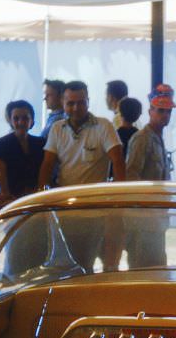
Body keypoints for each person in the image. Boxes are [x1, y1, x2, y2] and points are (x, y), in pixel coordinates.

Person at [38, 81, 126, 272]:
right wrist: (41, 198)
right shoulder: (57, 128)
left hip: (94, 210)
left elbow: (118, 161)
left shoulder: (103, 126)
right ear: (63, 103)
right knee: (65, 264)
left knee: (88, 262)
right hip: (64, 208)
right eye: (70, 103)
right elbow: (47, 164)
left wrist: (118, 198)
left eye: (81, 102)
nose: (76, 108)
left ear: (88, 101)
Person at [124, 84, 176, 267]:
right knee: (142, 270)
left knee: (157, 267)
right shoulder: (142, 139)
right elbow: (131, 178)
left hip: (156, 217)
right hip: (142, 219)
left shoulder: (158, 138)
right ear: (150, 111)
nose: (165, 115)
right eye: (161, 110)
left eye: (168, 111)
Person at [0, 100, 45, 208]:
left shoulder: (41, 143)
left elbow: (45, 170)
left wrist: (39, 192)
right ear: (10, 121)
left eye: (25, 118)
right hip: (9, 200)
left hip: (34, 199)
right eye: (16, 118)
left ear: (32, 121)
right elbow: (0, 173)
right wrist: (6, 195)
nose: (21, 122)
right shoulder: (1, 144)